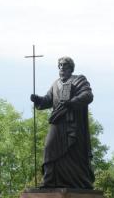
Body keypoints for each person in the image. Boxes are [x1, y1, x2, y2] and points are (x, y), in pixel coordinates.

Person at [30, 57, 95, 189]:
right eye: (59, 66)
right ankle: (49, 181)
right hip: (57, 121)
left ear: (71, 68)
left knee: (73, 154)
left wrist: (71, 102)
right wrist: (38, 99)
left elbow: (88, 95)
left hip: (73, 124)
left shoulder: (79, 80)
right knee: (49, 148)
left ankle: (77, 182)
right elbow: (48, 100)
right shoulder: (56, 84)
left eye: (65, 66)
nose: (62, 68)